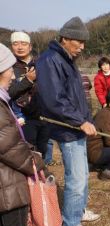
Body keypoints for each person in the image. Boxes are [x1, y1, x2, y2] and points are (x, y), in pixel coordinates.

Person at [36, 17, 100, 226]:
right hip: (68, 128)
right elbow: (54, 99)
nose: (82, 47)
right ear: (65, 38)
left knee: (82, 173)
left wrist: (87, 119)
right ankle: (70, 222)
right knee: (77, 177)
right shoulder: (49, 60)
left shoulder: (67, 58)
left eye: (84, 43)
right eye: (78, 42)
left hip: (77, 126)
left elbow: (76, 97)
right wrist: (79, 121)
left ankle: (79, 210)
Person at [0, 43, 44, 226]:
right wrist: (35, 163)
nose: (12, 75)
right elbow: (9, 147)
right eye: (10, 69)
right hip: (8, 186)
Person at [8, 31, 50, 160]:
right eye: (15, 44)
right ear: (11, 47)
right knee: (28, 151)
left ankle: (41, 175)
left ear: (30, 47)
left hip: (44, 114)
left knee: (43, 149)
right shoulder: (7, 67)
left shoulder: (42, 63)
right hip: (22, 117)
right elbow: (8, 93)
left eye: (23, 43)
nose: (20, 47)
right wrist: (28, 80)